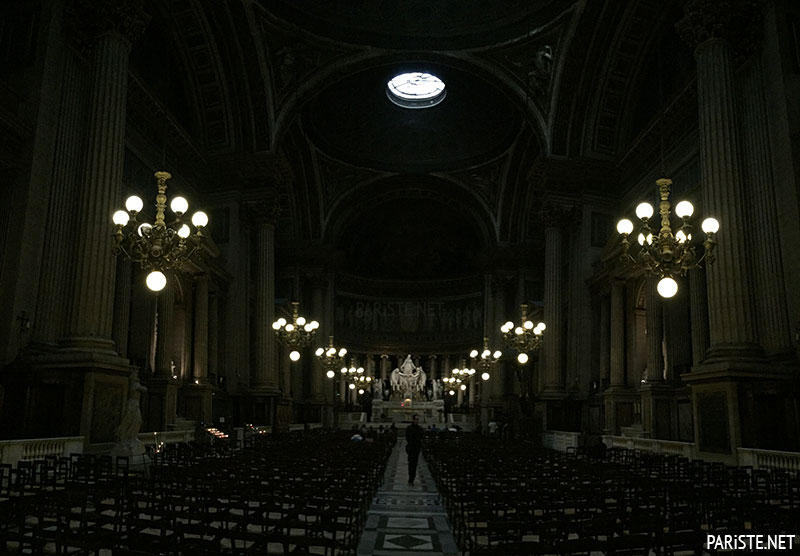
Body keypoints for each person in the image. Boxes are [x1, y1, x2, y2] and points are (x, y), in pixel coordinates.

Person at [405, 414, 424, 485]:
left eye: (418, 419)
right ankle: (411, 478)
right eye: (416, 419)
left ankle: (412, 478)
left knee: (414, 464)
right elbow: (407, 438)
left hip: (416, 449)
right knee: (411, 464)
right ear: (413, 420)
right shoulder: (409, 428)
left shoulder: (420, 428)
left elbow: (421, 437)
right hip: (410, 448)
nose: (417, 421)